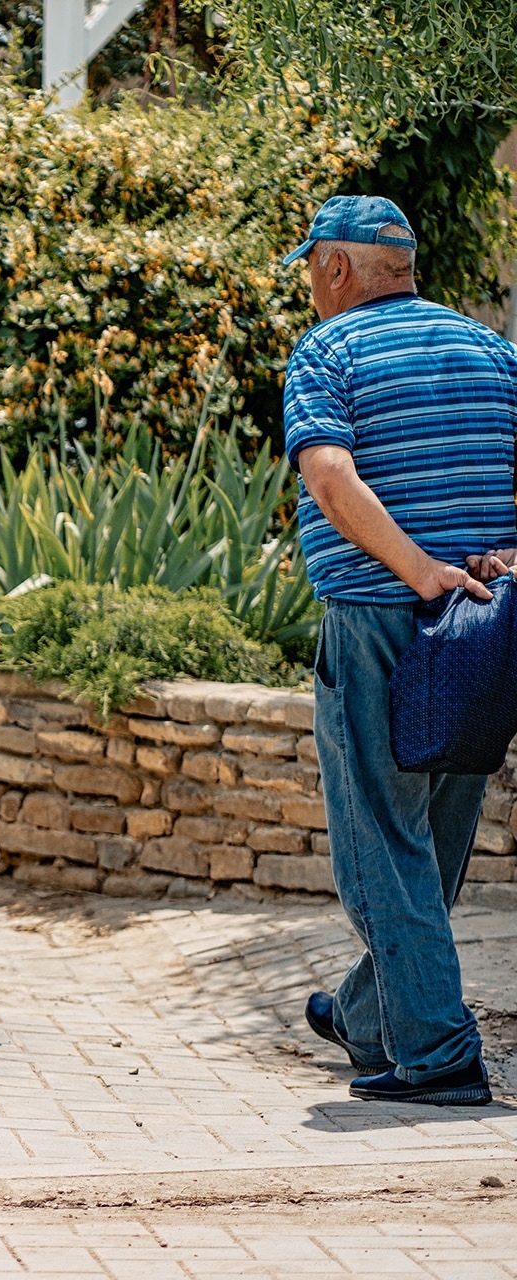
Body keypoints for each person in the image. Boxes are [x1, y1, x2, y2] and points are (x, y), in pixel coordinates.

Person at [284, 196, 517, 1106]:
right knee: (436, 840)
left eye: (313, 266)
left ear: (339, 269)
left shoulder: (330, 351)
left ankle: (437, 1055)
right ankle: (370, 1019)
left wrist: (421, 569)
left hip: (388, 615)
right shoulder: (491, 348)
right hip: (487, 624)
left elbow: (331, 476)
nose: (310, 284)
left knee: (380, 846)